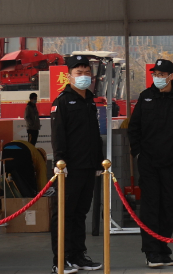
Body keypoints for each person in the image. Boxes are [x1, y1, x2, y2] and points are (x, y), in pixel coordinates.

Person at [129, 59, 173, 269]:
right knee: (150, 207)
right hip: (148, 162)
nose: (157, 78)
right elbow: (134, 127)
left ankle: (163, 248)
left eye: (161, 74)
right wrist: (138, 153)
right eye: (155, 74)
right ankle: (151, 252)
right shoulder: (146, 97)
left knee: (167, 206)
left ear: (171, 76)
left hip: (171, 164)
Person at [49, 55, 104, 274]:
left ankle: (78, 256)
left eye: (87, 73)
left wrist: (99, 161)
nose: (83, 77)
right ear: (69, 76)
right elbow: (58, 134)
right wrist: (59, 161)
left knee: (81, 213)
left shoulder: (90, 100)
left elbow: (94, 134)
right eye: (79, 73)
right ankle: (60, 260)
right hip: (69, 168)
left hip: (89, 166)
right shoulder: (62, 101)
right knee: (64, 214)